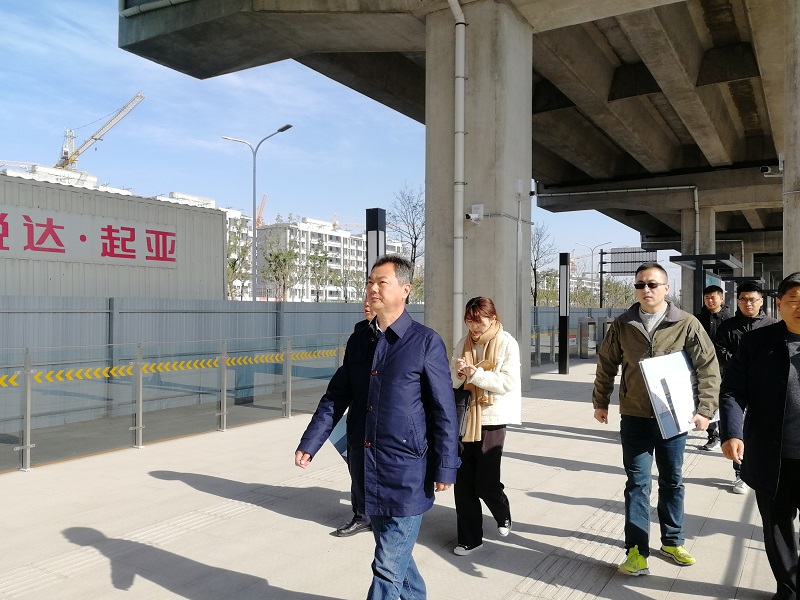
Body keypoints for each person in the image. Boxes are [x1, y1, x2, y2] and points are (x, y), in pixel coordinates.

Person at [295, 255, 459, 599]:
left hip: (407, 472)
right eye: (370, 282)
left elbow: (443, 410)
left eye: (382, 282)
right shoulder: (360, 341)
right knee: (396, 559)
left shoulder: (425, 342)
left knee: (386, 565)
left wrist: (447, 465)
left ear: (405, 290)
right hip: (367, 468)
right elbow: (336, 396)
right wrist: (310, 442)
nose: (373, 288)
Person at [592, 262, 720, 577]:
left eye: (652, 284)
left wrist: (706, 409)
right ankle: (636, 551)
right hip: (634, 415)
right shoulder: (623, 323)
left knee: (672, 480)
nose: (646, 290)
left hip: (674, 417)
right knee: (637, 483)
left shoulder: (686, 323)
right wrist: (600, 401)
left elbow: (708, 366)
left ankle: (673, 541)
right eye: (640, 285)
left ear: (666, 288)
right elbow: (607, 362)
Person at [719, 272, 800, 600]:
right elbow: (733, 390)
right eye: (793, 300)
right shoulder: (757, 343)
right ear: (778, 303)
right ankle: (789, 591)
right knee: (777, 528)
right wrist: (732, 432)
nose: (799, 307)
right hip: (772, 456)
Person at [450, 297, 521, 556]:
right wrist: (459, 372)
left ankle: (501, 511)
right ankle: (469, 539)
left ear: (493, 318)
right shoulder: (463, 343)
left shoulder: (507, 343)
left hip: (493, 418)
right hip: (466, 418)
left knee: (486, 481)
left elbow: (507, 382)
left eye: (478, 321)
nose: (474, 327)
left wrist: (475, 374)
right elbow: (452, 379)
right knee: (463, 482)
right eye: (469, 321)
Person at [714, 281, 777, 494]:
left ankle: (761, 469)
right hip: (736, 387)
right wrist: (742, 364)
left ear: (761, 301)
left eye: (752, 299)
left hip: (764, 387)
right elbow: (720, 352)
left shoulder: (772, 326)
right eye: (743, 299)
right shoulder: (727, 327)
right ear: (738, 301)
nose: (748, 303)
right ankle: (740, 473)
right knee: (736, 429)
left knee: (761, 431)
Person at [334, 297, 374, 537]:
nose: (367, 304)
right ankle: (362, 515)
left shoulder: (406, 337)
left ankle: (374, 515)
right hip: (358, 413)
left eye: (372, 300)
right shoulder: (358, 335)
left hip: (383, 417)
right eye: (365, 300)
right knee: (356, 466)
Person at [695, 284, 733, 451]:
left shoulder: (730, 320)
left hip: (726, 369)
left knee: (725, 402)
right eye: (707, 298)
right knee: (707, 400)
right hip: (704, 368)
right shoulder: (697, 319)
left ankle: (726, 434)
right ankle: (713, 435)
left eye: (713, 297)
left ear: (721, 298)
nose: (710, 301)